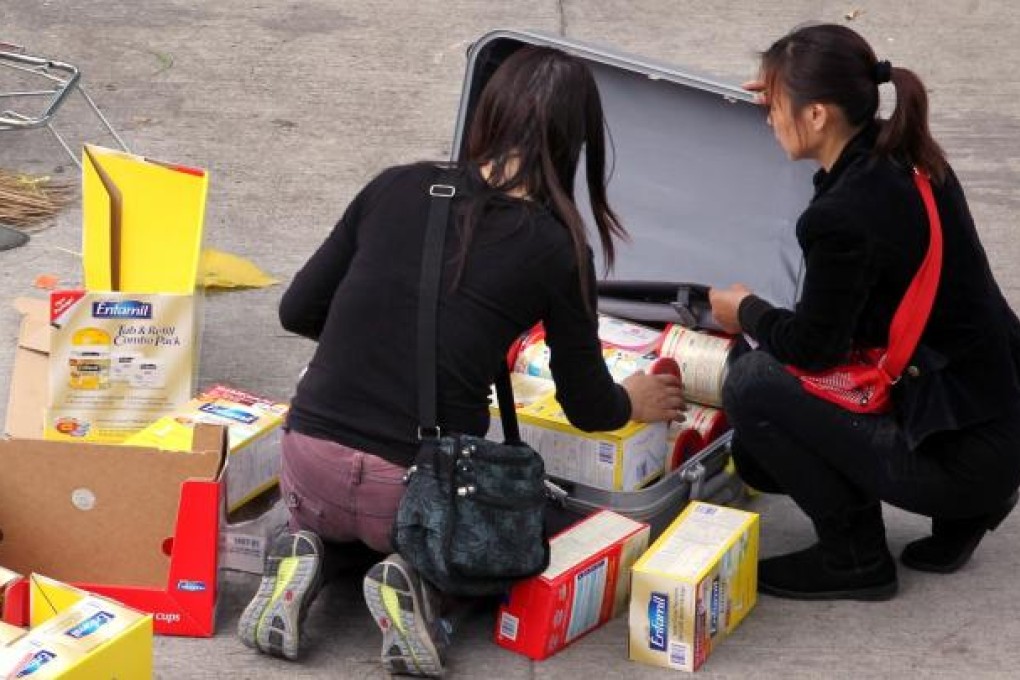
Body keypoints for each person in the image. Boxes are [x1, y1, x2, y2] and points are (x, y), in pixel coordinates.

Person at [237, 45, 685, 673]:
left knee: (352, 509)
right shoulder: (556, 247)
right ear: (576, 142)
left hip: (308, 464)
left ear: (487, 114)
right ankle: (424, 586)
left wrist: (375, 351)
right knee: (504, 544)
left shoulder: (396, 183)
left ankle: (304, 551)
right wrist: (632, 399)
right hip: (414, 494)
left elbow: (296, 312)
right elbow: (588, 407)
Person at [709, 23, 1020, 601]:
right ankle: (970, 510)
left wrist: (745, 310)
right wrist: (791, 91)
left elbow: (812, 348)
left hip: (964, 455)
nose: (767, 116)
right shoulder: (907, 154)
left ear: (820, 115)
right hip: (995, 413)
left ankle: (854, 558)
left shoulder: (841, 217)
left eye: (775, 104)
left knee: (751, 385)